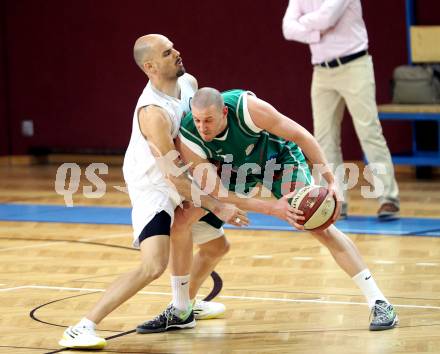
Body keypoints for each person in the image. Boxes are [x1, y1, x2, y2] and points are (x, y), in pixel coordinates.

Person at [148, 87, 397, 331]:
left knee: (320, 227)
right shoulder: (190, 135)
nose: (203, 127)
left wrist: (332, 180)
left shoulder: (248, 109)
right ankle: (182, 308)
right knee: (182, 220)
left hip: (278, 160)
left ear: (225, 112)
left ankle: (379, 302)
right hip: (233, 170)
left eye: (209, 120)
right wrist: (272, 208)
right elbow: (218, 193)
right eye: (199, 120)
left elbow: (302, 136)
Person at [58, 34, 249, 350]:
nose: (176, 52)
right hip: (154, 186)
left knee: (217, 247)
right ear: (150, 66)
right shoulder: (153, 113)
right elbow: (173, 178)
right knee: (153, 264)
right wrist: (219, 204)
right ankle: (81, 327)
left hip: (182, 178)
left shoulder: (189, 84)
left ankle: (184, 305)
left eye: (173, 47)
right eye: (167, 52)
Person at [282, 0, 400, 220]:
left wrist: (304, 22)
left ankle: (388, 198)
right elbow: (287, 28)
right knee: (324, 139)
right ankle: (336, 199)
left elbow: (328, 17)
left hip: (355, 65)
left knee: (369, 132)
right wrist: (316, 33)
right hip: (322, 71)